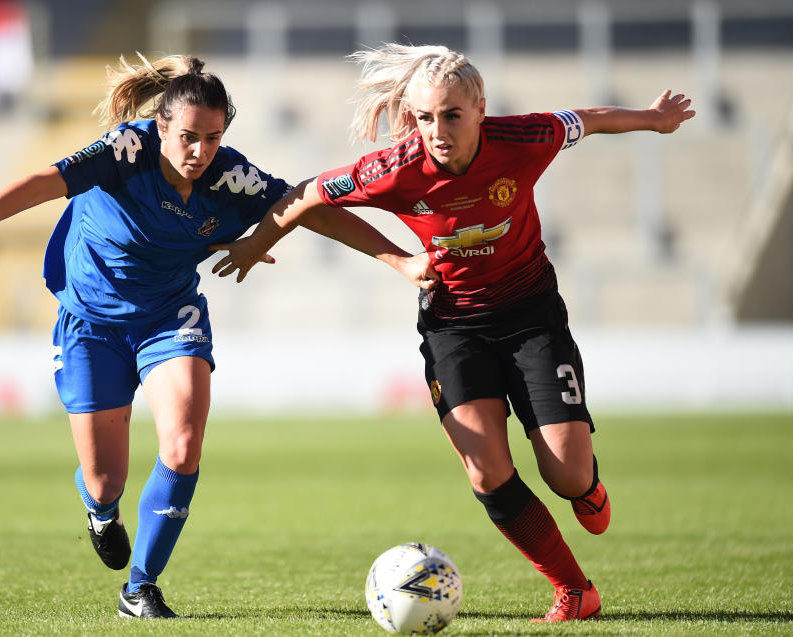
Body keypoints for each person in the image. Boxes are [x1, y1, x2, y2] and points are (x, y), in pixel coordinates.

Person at [0, 53, 432, 619]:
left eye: (212, 137)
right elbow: (47, 182)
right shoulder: (123, 152)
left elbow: (308, 205)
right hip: (90, 322)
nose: (200, 151)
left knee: (182, 445)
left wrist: (400, 261)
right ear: (160, 128)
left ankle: (140, 588)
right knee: (106, 481)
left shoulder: (231, 177)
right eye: (187, 136)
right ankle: (101, 512)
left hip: (168, 317)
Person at [210, 43, 695, 623]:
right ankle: (573, 589)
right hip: (452, 325)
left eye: (451, 115)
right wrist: (268, 246)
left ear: (480, 109)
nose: (436, 131)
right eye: (422, 117)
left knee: (566, 475)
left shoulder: (524, 139)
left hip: (532, 317)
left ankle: (586, 486)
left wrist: (654, 119)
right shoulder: (393, 168)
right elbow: (309, 195)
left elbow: (587, 120)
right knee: (487, 471)